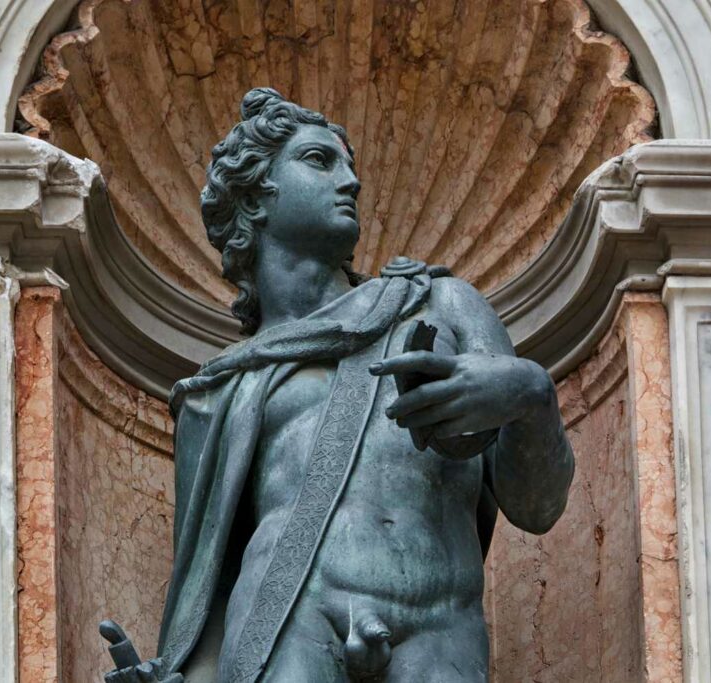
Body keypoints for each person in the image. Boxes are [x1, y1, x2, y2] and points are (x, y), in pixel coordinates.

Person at [104, 88, 574, 683]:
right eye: (319, 161)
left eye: (348, 166)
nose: (350, 182)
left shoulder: (441, 304)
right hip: (283, 624)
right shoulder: (218, 390)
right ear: (255, 197)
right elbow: (210, 590)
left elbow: (538, 508)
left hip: (438, 624)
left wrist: (532, 394)